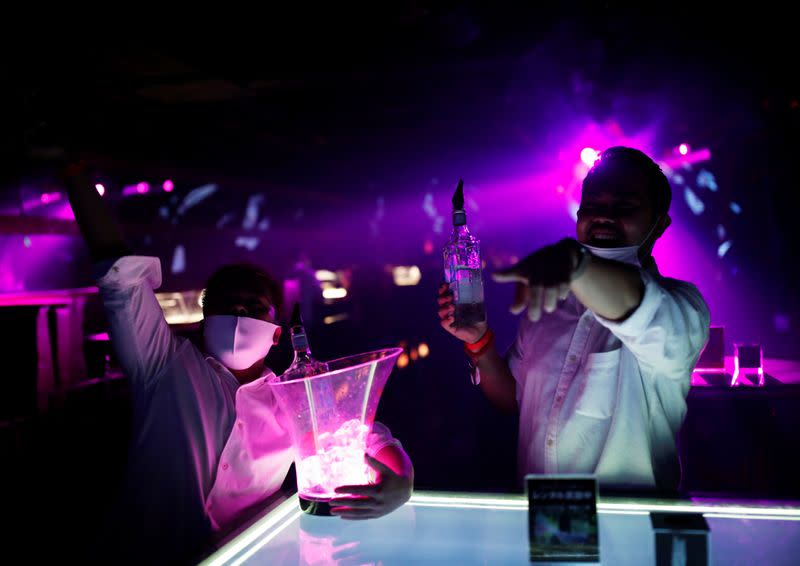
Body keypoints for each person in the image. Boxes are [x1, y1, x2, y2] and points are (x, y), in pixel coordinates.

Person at [63, 162, 414, 564]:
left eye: (254, 307)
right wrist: (75, 174)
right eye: (227, 303)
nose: (239, 311)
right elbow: (121, 275)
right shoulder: (163, 362)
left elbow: (367, 433)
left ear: (277, 331)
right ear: (203, 317)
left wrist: (401, 481)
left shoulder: (294, 400)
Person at [438, 146, 709, 491]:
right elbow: (513, 399)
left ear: (660, 224)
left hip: (626, 536)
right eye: (593, 206)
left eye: (624, 207)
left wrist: (577, 264)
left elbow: (634, 302)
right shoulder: (549, 306)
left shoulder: (682, 308)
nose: (604, 217)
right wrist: (478, 341)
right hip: (547, 528)